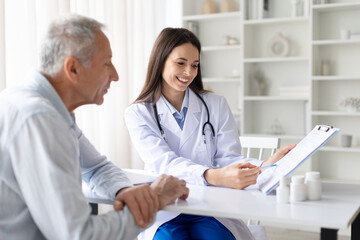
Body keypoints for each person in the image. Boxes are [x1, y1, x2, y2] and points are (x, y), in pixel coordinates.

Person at [0, 15, 189, 240]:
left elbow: (96, 167)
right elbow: (79, 236)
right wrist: (154, 201)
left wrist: (125, 191)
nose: (116, 75)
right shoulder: (40, 118)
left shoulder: (45, 106)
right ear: (73, 68)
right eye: (106, 63)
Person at [125, 27, 295, 240]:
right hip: (165, 207)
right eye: (181, 63)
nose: (189, 72)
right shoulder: (138, 113)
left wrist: (266, 165)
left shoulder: (215, 105)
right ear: (160, 60)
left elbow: (228, 158)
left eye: (195, 65)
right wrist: (212, 175)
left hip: (209, 205)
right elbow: (164, 164)